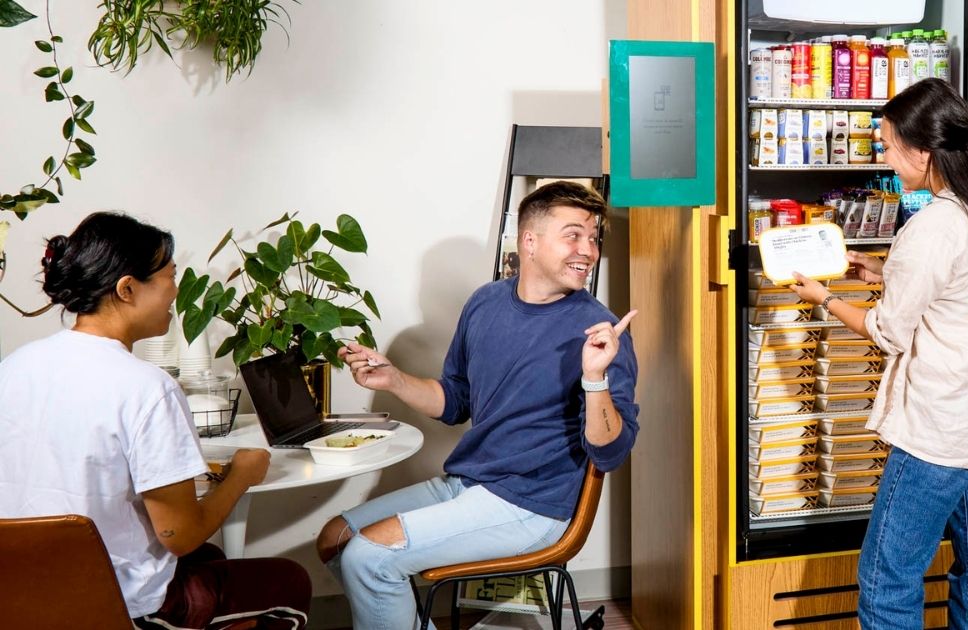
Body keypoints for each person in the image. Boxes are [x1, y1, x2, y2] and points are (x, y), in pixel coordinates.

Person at [316, 181, 639, 630]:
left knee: (369, 558)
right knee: (336, 539)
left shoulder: (598, 331)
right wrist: (395, 379)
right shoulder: (486, 302)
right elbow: (456, 401)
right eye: (573, 235)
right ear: (529, 241)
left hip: (532, 505)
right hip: (470, 482)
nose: (588, 249)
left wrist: (594, 378)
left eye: (593, 237)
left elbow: (611, 452)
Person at [787, 78, 968, 630]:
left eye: (890, 146)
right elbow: (961, 292)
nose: (887, 158)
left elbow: (888, 331)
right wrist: (881, 270)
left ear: (923, 152)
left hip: (938, 436)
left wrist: (825, 298)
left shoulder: (933, 227)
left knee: (887, 576)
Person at [0, 212, 311, 629]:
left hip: (22, 594)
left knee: (212, 560)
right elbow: (177, 536)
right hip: (121, 607)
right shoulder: (145, 387)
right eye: (170, 276)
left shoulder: (15, 366)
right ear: (127, 288)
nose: (176, 291)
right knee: (288, 581)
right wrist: (241, 475)